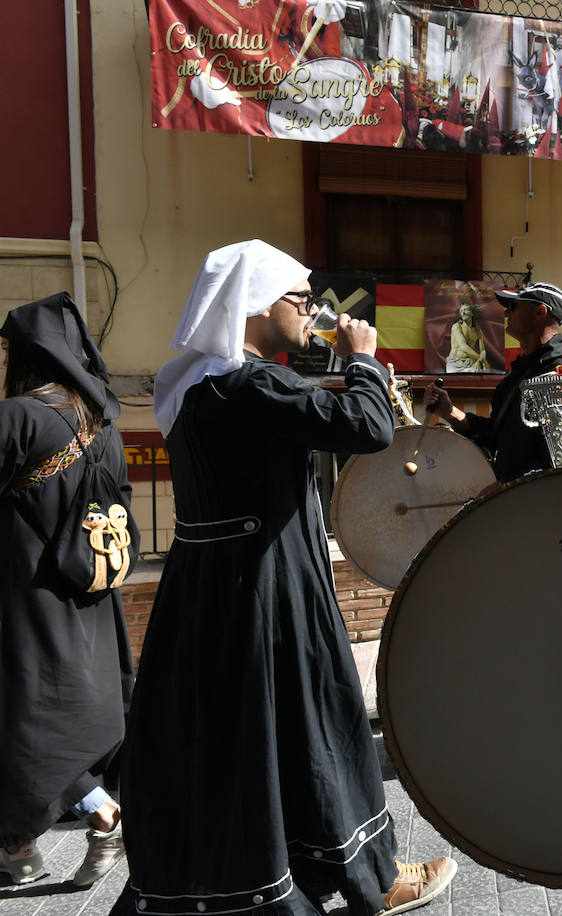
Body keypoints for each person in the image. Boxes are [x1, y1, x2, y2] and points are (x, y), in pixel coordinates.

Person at [111, 241, 455, 916]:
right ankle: (369, 876)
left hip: (207, 590)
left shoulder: (187, 382)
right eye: (302, 299)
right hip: (271, 589)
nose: (312, 313)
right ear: (261, 303)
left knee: (242, 735)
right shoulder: (251, 383)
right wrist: (360, 358)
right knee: (315, 720)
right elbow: (367, 426)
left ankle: (296, 869)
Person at [0, 293, 133, 888]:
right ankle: (19, 849)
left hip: (24, 598)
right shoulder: (102, 423)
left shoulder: (19, 417)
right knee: (46, 716)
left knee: (22, 719)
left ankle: (101, 814)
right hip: (89, 596)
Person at [426, 281, 562, 482]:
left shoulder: (561, 375)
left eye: (513, 306)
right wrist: (449, 412)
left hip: (546, 506)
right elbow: (495, 435)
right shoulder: (521, 372)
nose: (506, 313)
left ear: (540, 312)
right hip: (515, 501)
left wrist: (502, 490)